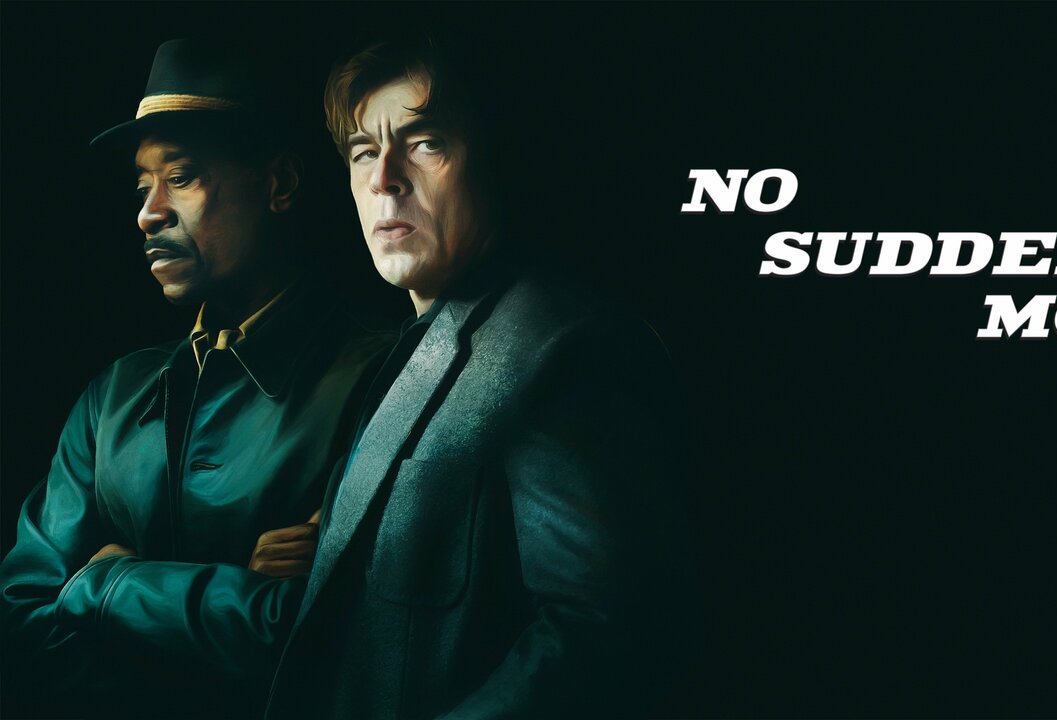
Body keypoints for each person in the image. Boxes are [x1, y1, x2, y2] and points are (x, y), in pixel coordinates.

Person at [264, 37, 693, 719]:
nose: (384, 180)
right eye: (364, 152)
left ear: (491, 158)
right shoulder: (409, 349)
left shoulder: (565, 346)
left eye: (424, 143)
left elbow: (601, 635)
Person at [0, 39, 393, 719]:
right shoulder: (111, 398)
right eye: (141, 186)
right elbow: (19, 624)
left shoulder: (380, 378)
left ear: (278, 184)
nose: (148, 213)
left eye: (180, 177)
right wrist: (237, 595)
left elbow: (333, 639)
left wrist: (102, 584)